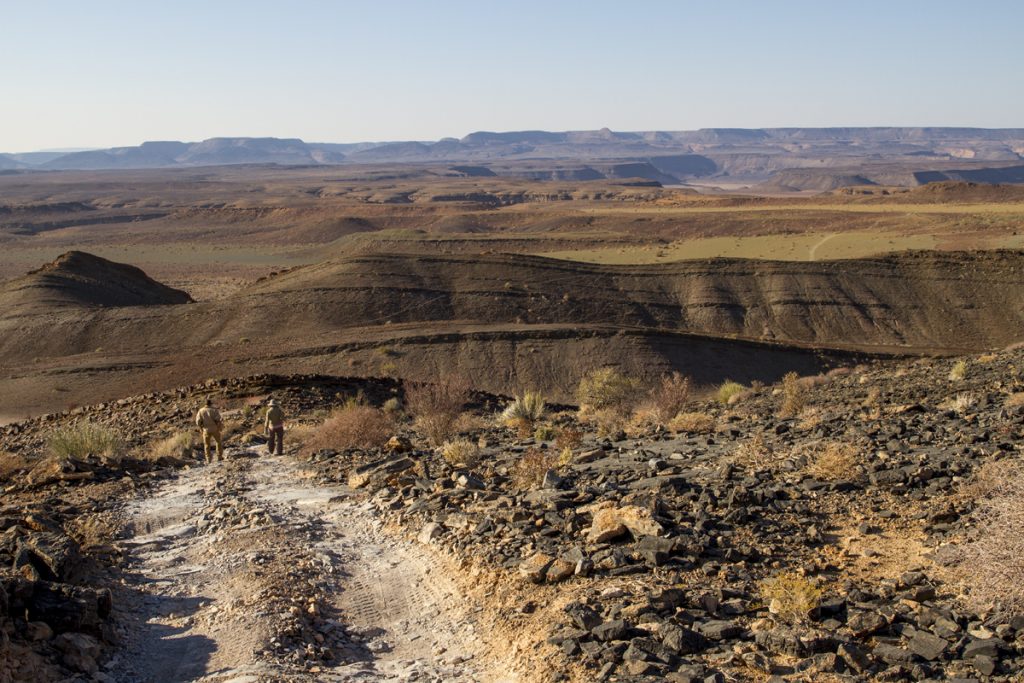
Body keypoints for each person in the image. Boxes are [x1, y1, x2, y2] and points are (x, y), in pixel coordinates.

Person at [195, 398, 224, 463]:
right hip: (214, 429)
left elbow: (198, 422)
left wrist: (202, 426)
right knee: (218, 442)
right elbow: (218, 419)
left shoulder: (201, 411)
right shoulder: (214, 410)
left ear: (204, 404)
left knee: (207, 444)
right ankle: (219, 457)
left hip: (205, 430)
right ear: (210, 403)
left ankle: (208, 459)